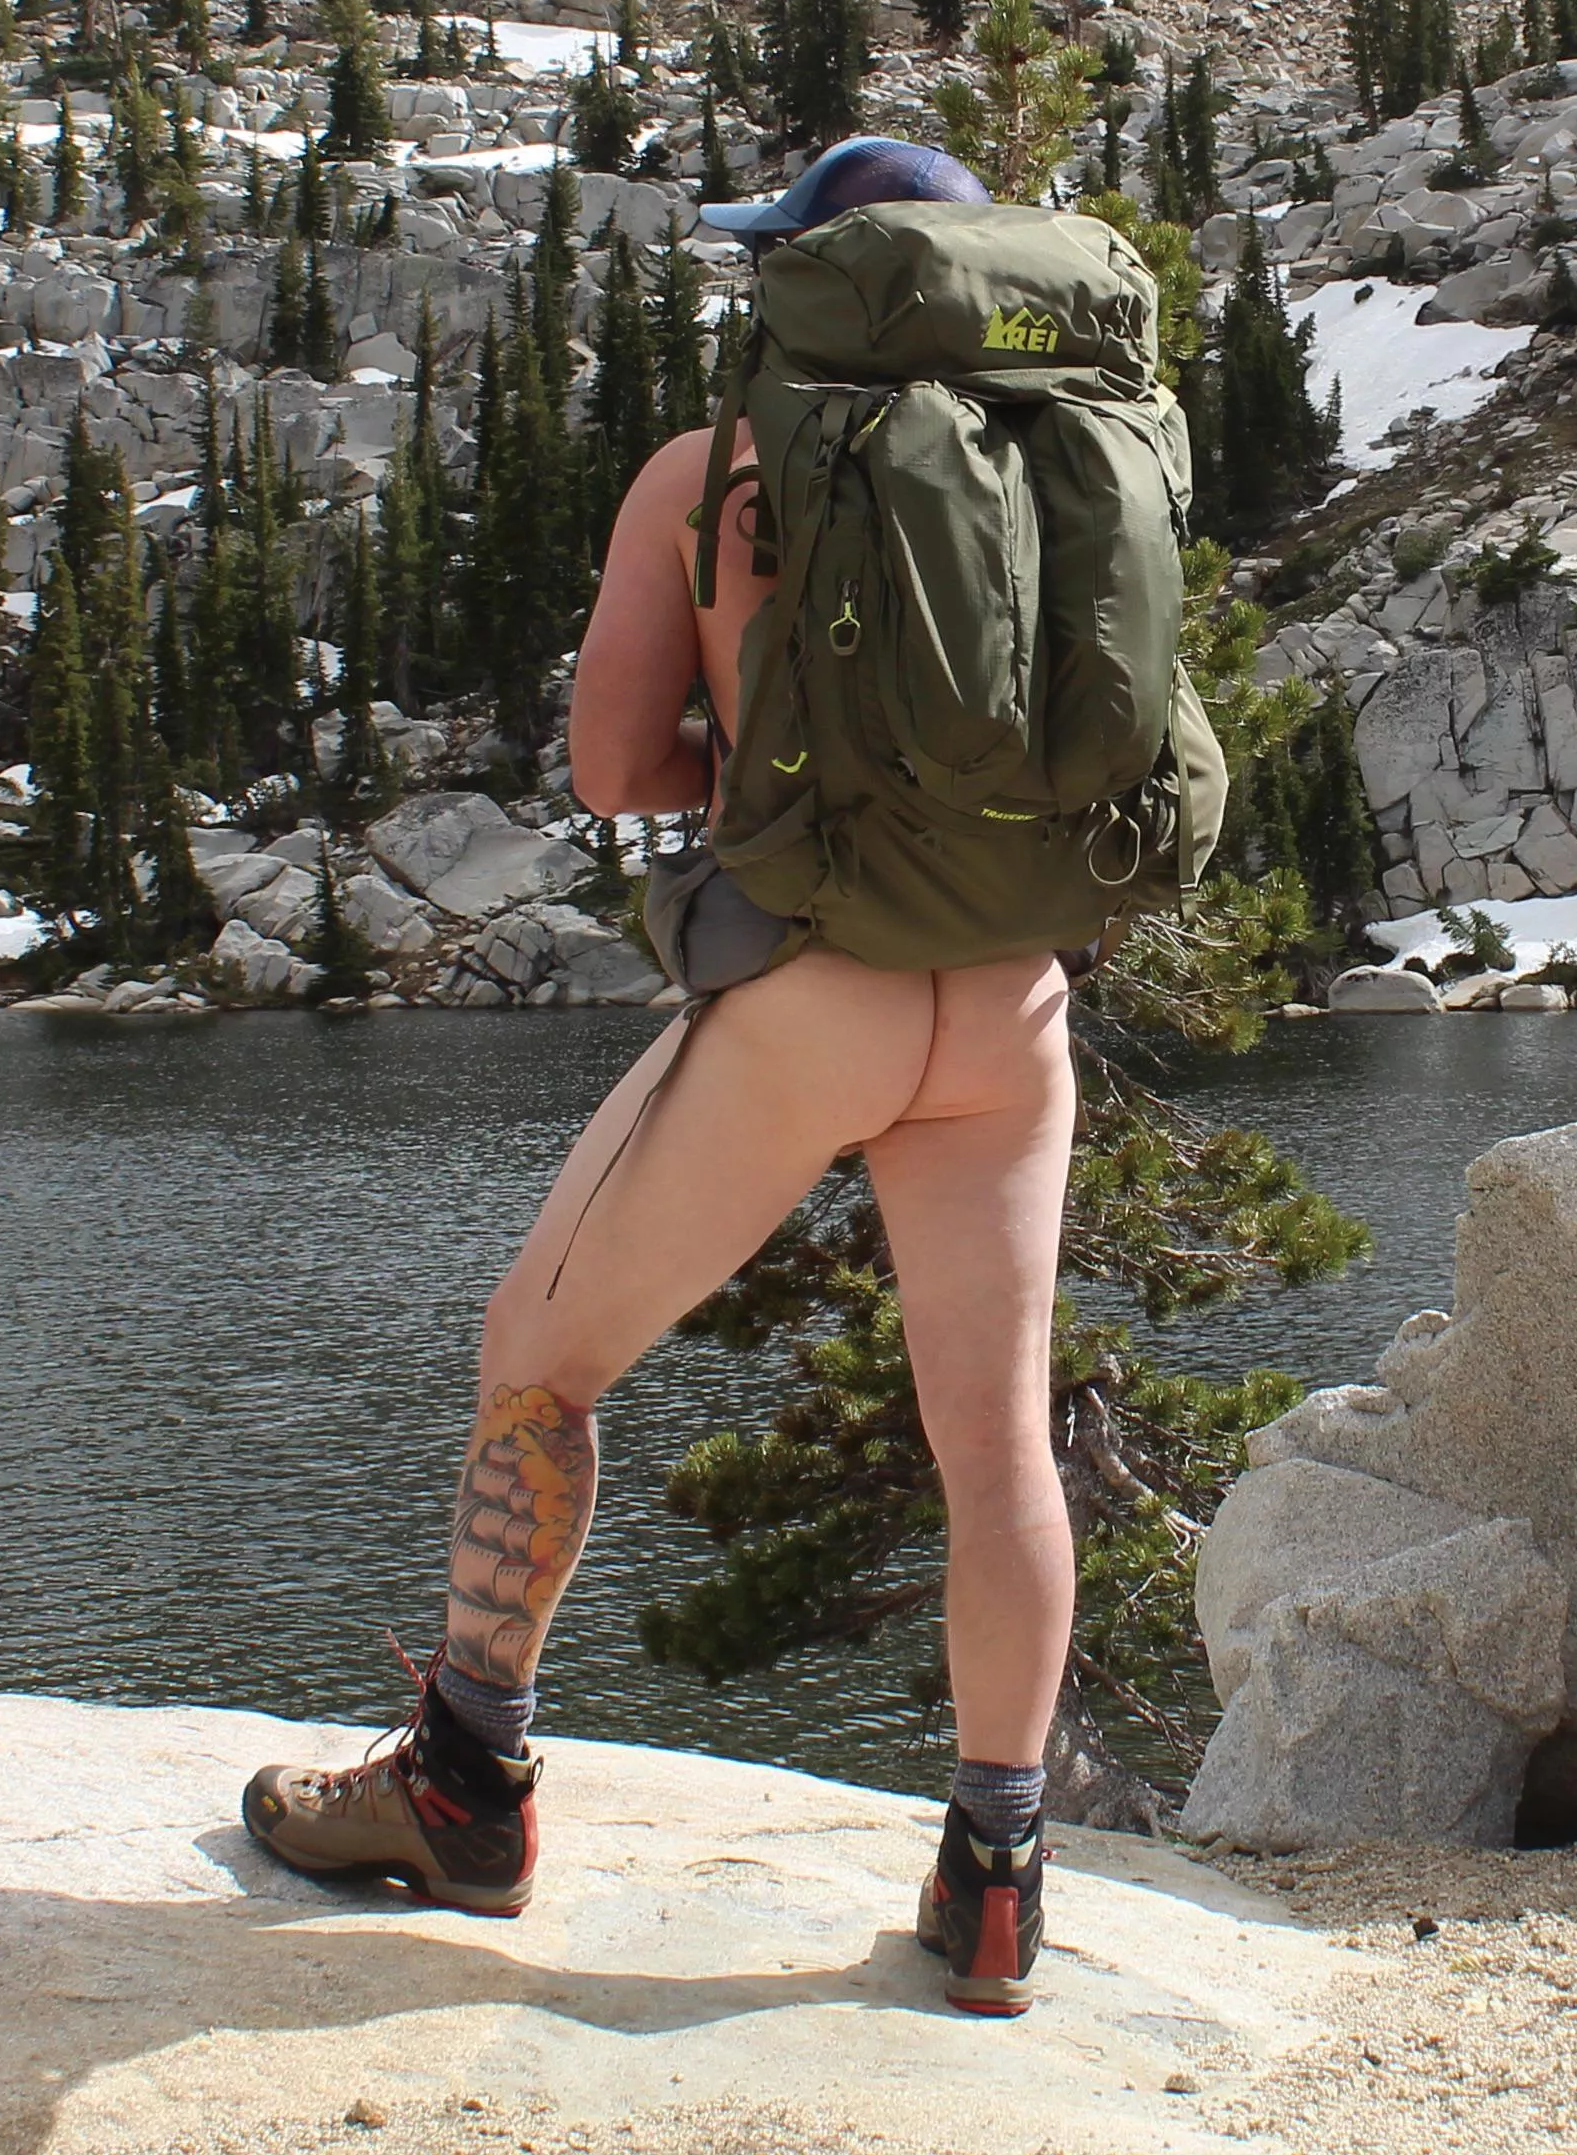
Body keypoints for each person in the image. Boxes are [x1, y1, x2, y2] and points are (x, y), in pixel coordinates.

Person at [244, 137, 1078, 2014]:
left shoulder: (712, 476)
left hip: (811, 991)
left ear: (811, 282)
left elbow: (619, 772)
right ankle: (998, 1879)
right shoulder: (1065, 458)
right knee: (995, 1444)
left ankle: (466, 1782)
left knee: (537, 1356)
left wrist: (774, 773)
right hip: (1012, 1004)